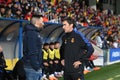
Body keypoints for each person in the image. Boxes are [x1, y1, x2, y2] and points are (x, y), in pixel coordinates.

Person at [23, 14, 44, 80]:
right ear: (37, 22)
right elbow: (33, 51)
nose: (43, 24)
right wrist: (36, 66)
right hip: (32, 67)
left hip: (33, 67)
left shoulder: (34, 33)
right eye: (42, 22)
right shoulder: (32, 34)